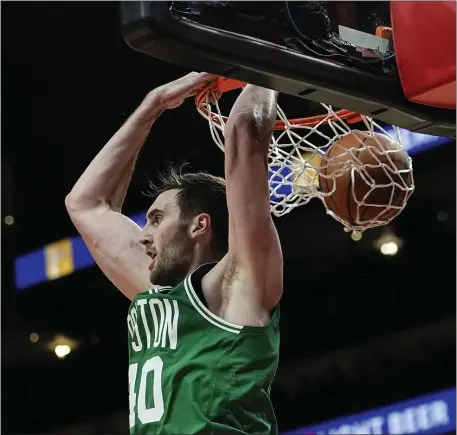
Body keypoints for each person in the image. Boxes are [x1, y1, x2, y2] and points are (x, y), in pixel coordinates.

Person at [65, 72, 283, 435]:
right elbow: (85, 204)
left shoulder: (240, 284)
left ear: (199, 225)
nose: (143, 236)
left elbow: (244, 131)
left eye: (156, 220)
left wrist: (264, 59)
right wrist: (153, 105)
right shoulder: (158, 293)